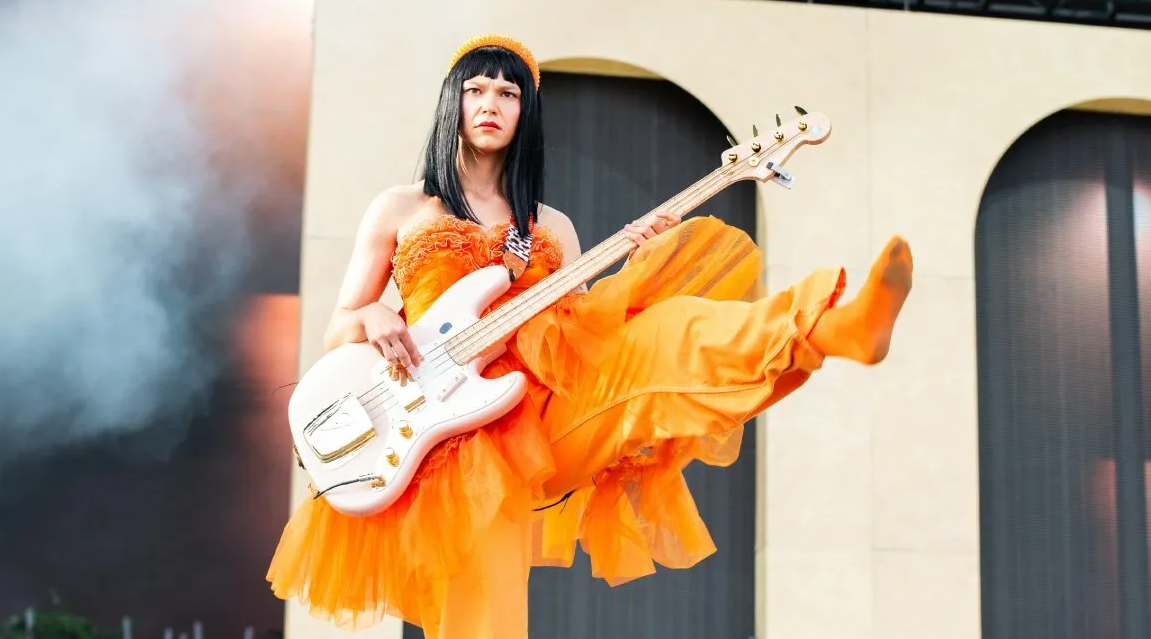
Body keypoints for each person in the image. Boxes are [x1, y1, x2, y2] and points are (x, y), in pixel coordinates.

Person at [267, 34, 913, 638]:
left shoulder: (550, 226)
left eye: (509, 93)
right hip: (449, 442)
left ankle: (834, 328)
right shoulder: (404, 207)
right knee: (481, 615)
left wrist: (635, 265)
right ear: (452, 103)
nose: (491, 103)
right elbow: (339, 326)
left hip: (545, 409)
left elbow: (578, 330)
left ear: (527, 113)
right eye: (477, 89)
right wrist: (374, 316)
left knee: (668, 329)